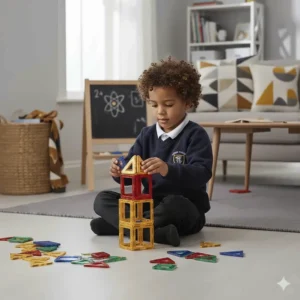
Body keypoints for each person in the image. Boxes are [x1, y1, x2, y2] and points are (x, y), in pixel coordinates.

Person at [90, 57, 213, 247]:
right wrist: (120, 172)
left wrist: (167, 169)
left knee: (175, 205)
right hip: (148, 206)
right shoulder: (146, 135)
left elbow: (202, 173)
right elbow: (131, 173)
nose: (160, 112)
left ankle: (122, 226)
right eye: (155, 105)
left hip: (186, 209)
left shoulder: (196, 135)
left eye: (168, 105)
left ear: (188, 102)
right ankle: (154, 233)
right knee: (102, 199)